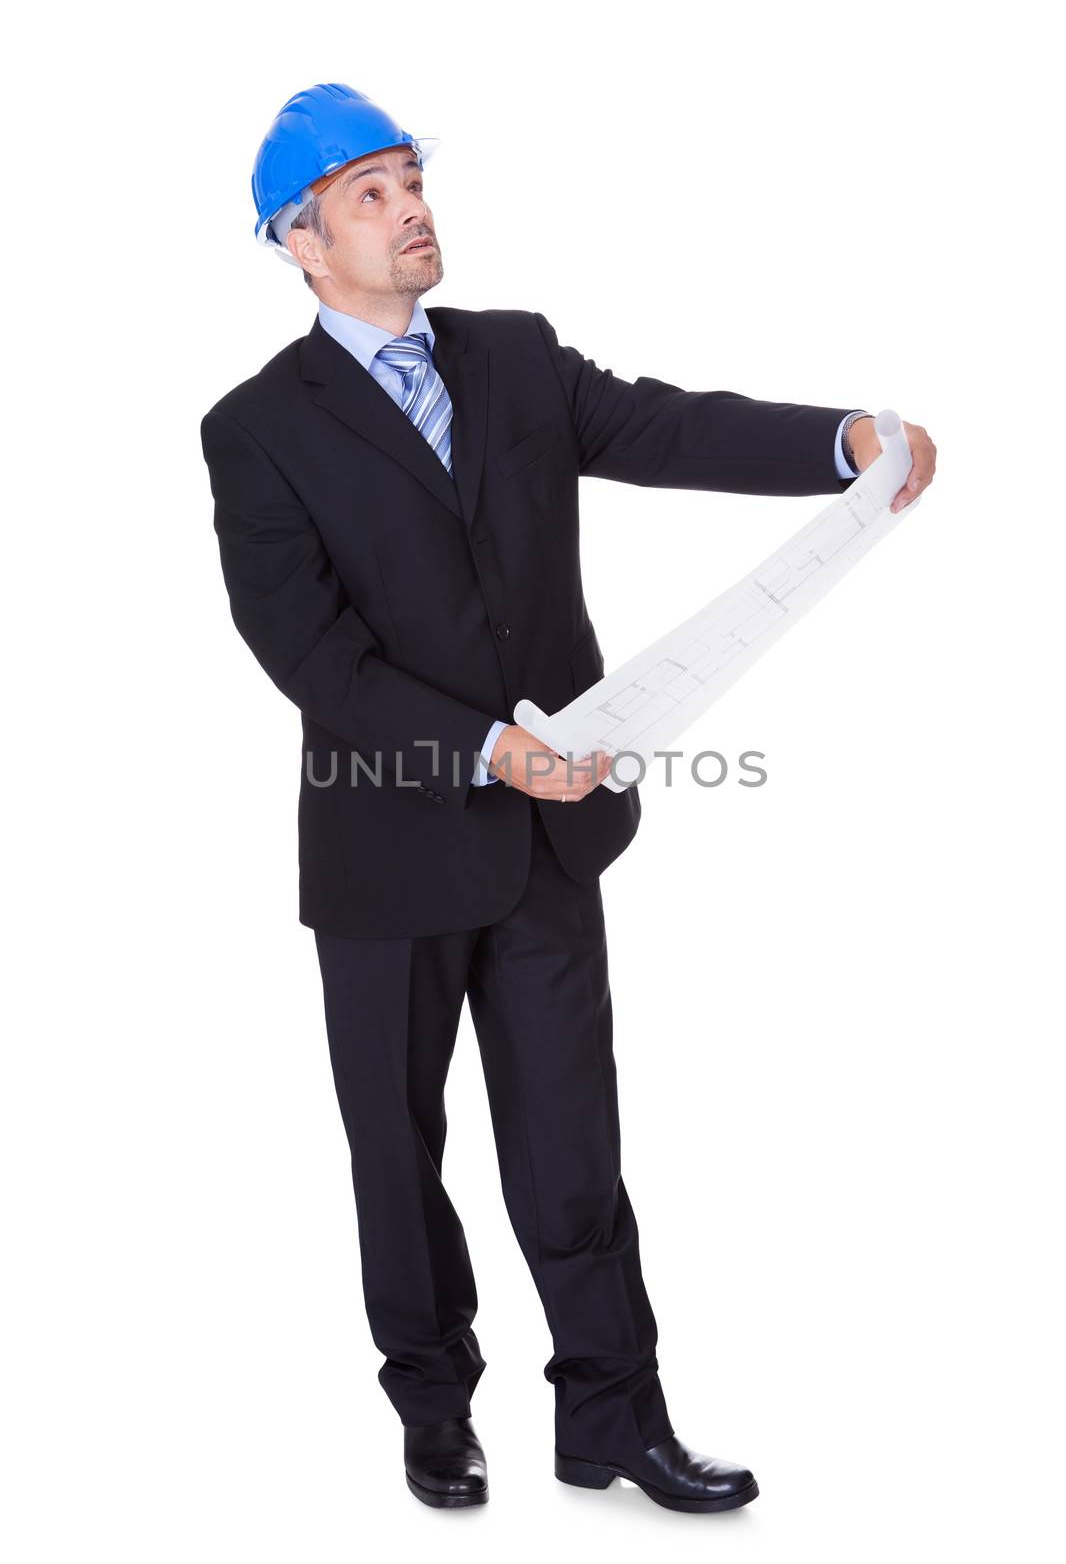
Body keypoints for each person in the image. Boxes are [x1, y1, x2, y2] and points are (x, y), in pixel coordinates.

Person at [199, 82, 937, 1513]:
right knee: (398, 1152)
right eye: (369, 191)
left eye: (412, 175)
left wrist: (837, 439)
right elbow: (308, 653)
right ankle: (432, 1409)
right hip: (384, 848)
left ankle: (612, 1418)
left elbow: (662, 428)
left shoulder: (516, 358)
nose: (409, 204)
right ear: (299, 241)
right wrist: (485, 745)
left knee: (571, 1143)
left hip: (545, 841)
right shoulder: (256, 429)